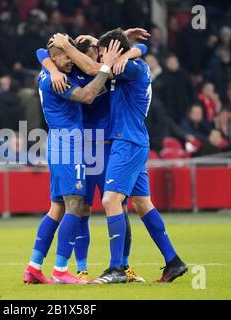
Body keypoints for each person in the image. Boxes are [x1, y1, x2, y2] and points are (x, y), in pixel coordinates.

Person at [52, 29, 188, 284]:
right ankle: (173, 261)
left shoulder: (130, 67)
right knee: (142, 204)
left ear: (116, 53)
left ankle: (116, 269)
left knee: (110, 200)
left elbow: (95, 69)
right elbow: (132, 51)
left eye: (104, 53)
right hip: (133, 140)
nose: (102, 57)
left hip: (127, 142)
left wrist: (67, 48)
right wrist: (116, 42)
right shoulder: (132, 62)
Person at [35, 32, 148, 282]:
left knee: (117, 204)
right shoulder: (77, 74)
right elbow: (42, 52)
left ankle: (123, 265)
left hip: (106, 145)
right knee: (81, 207)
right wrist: (52, 69)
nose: (97, 53)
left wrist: (126, 48)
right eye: (93, 50)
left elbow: (142, 47)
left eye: (100, 49)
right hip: (81, 146)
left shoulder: (112, 70)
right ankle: (81, 267)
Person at [22, 36, 122, 284]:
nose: (71, 60)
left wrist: (52, 66)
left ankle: (34, 267)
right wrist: (106, 69)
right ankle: (60, 270)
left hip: (58, 142)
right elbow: (88, 96)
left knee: (57, 207)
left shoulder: (50, 71)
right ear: (55, 56)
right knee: (76, 205)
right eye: (66, 56)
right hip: (68, 144)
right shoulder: (58, 82)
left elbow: (39, 50)